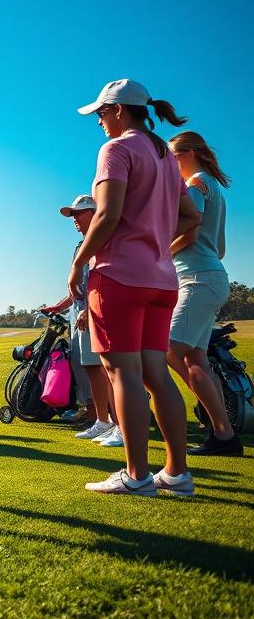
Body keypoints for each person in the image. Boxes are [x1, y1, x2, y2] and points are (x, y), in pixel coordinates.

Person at [73, 79, 201, 496]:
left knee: (121, 371)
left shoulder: (117, 149)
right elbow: (189, 216)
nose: (99, 122)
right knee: (155, 373)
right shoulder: (165, 154)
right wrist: (156, 239)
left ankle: (136, 474)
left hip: (119, 276)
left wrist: (79, 261)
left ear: (118, 111)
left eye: (101, 114)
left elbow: (106, 215)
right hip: (162, 280)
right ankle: (177, 474)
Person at [166, 131, 240, 456]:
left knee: (169, 348)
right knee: (194, 358)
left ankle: (210, 414)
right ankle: (223, 434)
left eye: (173, 156)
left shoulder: (194, 184)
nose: (170, 163)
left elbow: (190, 226)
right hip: (208, 277)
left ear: (190, 153)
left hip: (198, 280)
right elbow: (219, 248)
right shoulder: (213, 187)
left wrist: (162, 252)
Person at [40, 195, 120, 446]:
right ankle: (103, 421)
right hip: (81, 315)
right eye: (73, 214)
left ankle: (119, 424)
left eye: (79, 213)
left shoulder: (103, 240)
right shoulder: (81, 245)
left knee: (108, 369)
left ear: (95, 212)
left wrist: (87, 308)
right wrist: (60, 306)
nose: (74, 218)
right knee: (91, 368)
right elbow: (77, 288)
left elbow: (101, 280)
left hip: (95, 312)